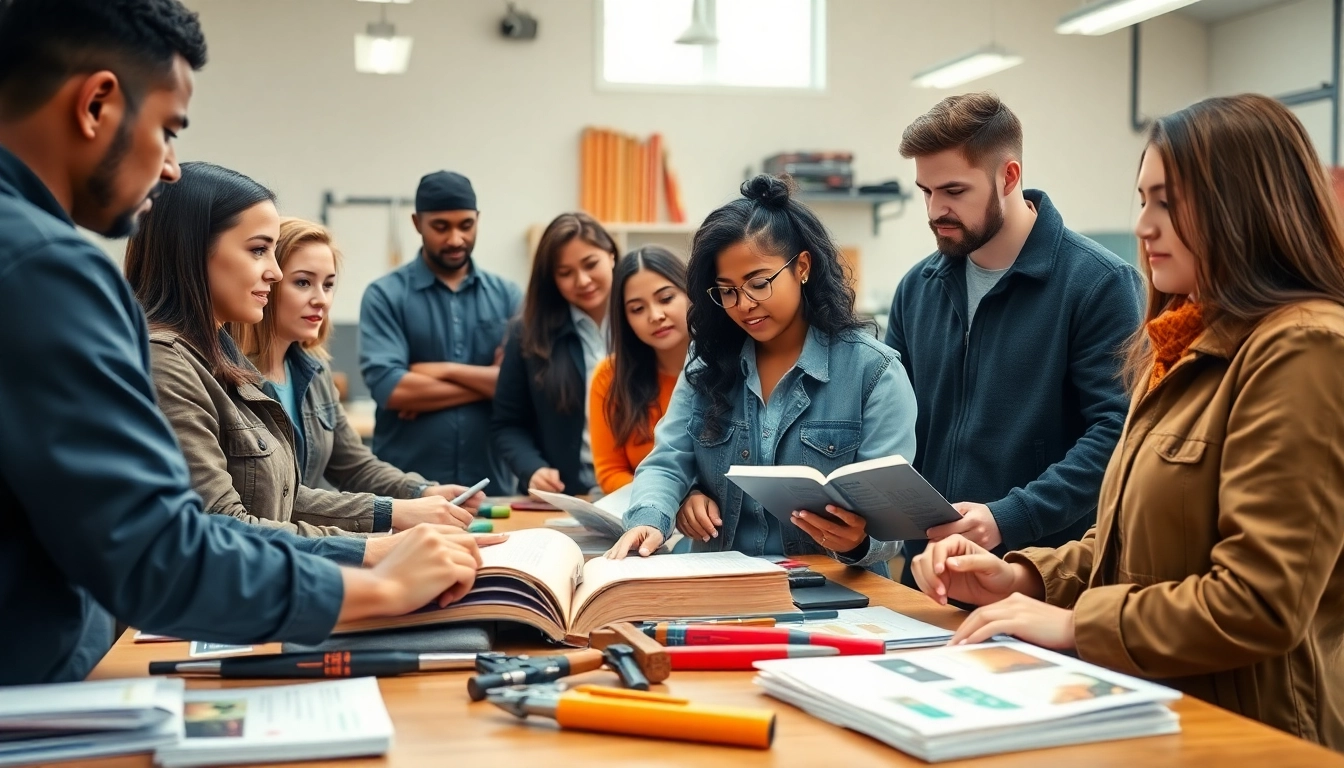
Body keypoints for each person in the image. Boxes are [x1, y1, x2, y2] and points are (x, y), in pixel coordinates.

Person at [0, 0, 500, 686]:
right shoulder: (46, 267)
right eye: (167, 130)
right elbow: (158, 552)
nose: (170, 167)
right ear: (96, 105)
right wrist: (378, 580)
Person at [911, 94, 1344, 749]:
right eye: (1142, 200)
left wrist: (1076, 624)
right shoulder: (1178, 344)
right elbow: (1129, 548)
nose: (1143, 225)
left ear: (1245, 204)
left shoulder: (1304, 348)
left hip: (1251, 733)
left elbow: (1258, 602)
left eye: (1167, 203)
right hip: (1151, 708)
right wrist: (1023, 577)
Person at [127, 163, 475, 537]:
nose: (274, 273)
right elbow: (227, 525)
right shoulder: (174, 363)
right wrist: (375, 543)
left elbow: (287, 495)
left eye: (328, 284)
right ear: (192, 250)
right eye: (259, 250)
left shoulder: (283, 367)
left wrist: (410, 501)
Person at [884, 92, 1142, 588]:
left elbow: (1118, 433)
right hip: (932, 582)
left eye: (954, 191)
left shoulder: (1099, 284)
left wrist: (1009, 517)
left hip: (1045, 583)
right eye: (926, 191)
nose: (936, 210)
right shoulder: (917, 289)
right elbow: (894, 423)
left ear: (1008, 177)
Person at [608, 175, 919, 576]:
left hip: (833, 590)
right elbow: (667, 461)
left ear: (802, 267)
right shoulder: (705, 364)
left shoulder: (873, 372)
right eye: (727, 290)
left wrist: (858, 540)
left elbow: (891, 524)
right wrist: (650, 518)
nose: (744, 305)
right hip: (722, 583)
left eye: (758, 283)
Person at [231, 217, 487, 508]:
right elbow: (273, 502)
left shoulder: (314, 374)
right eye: (303, 282)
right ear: (266, 282)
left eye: (328, 285)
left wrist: (424, 492)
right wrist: (391, 512)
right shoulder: (227, 380)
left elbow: (355, 466)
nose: (321, 300)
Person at [360, 171, 523, 486]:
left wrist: (438, 372)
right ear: (417, 223)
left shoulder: (508, 296)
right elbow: (392, 389)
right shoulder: (384, 295)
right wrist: (487, 384)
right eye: (441, 226)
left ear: (477, 219)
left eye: (466, 225)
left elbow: (518, 386)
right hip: (407, 491)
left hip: (491, 489)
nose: (455, 239)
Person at [491, 212, 617, 495]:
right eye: (565, 273)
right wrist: (532, 469)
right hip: (565, 496)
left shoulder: (644, 320)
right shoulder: (528, 333)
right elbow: (507, 424)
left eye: (591, 264)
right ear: (552, 279)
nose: (582, 280)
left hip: (640, 491)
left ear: (611, 255)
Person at [589, 246, 690, 494]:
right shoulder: (610, 377)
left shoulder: (731, 366)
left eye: (666, 298)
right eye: (637, 309)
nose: (655, 315)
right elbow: (611, 472)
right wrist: (667, 498)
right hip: (644, 508)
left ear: (691, 293)